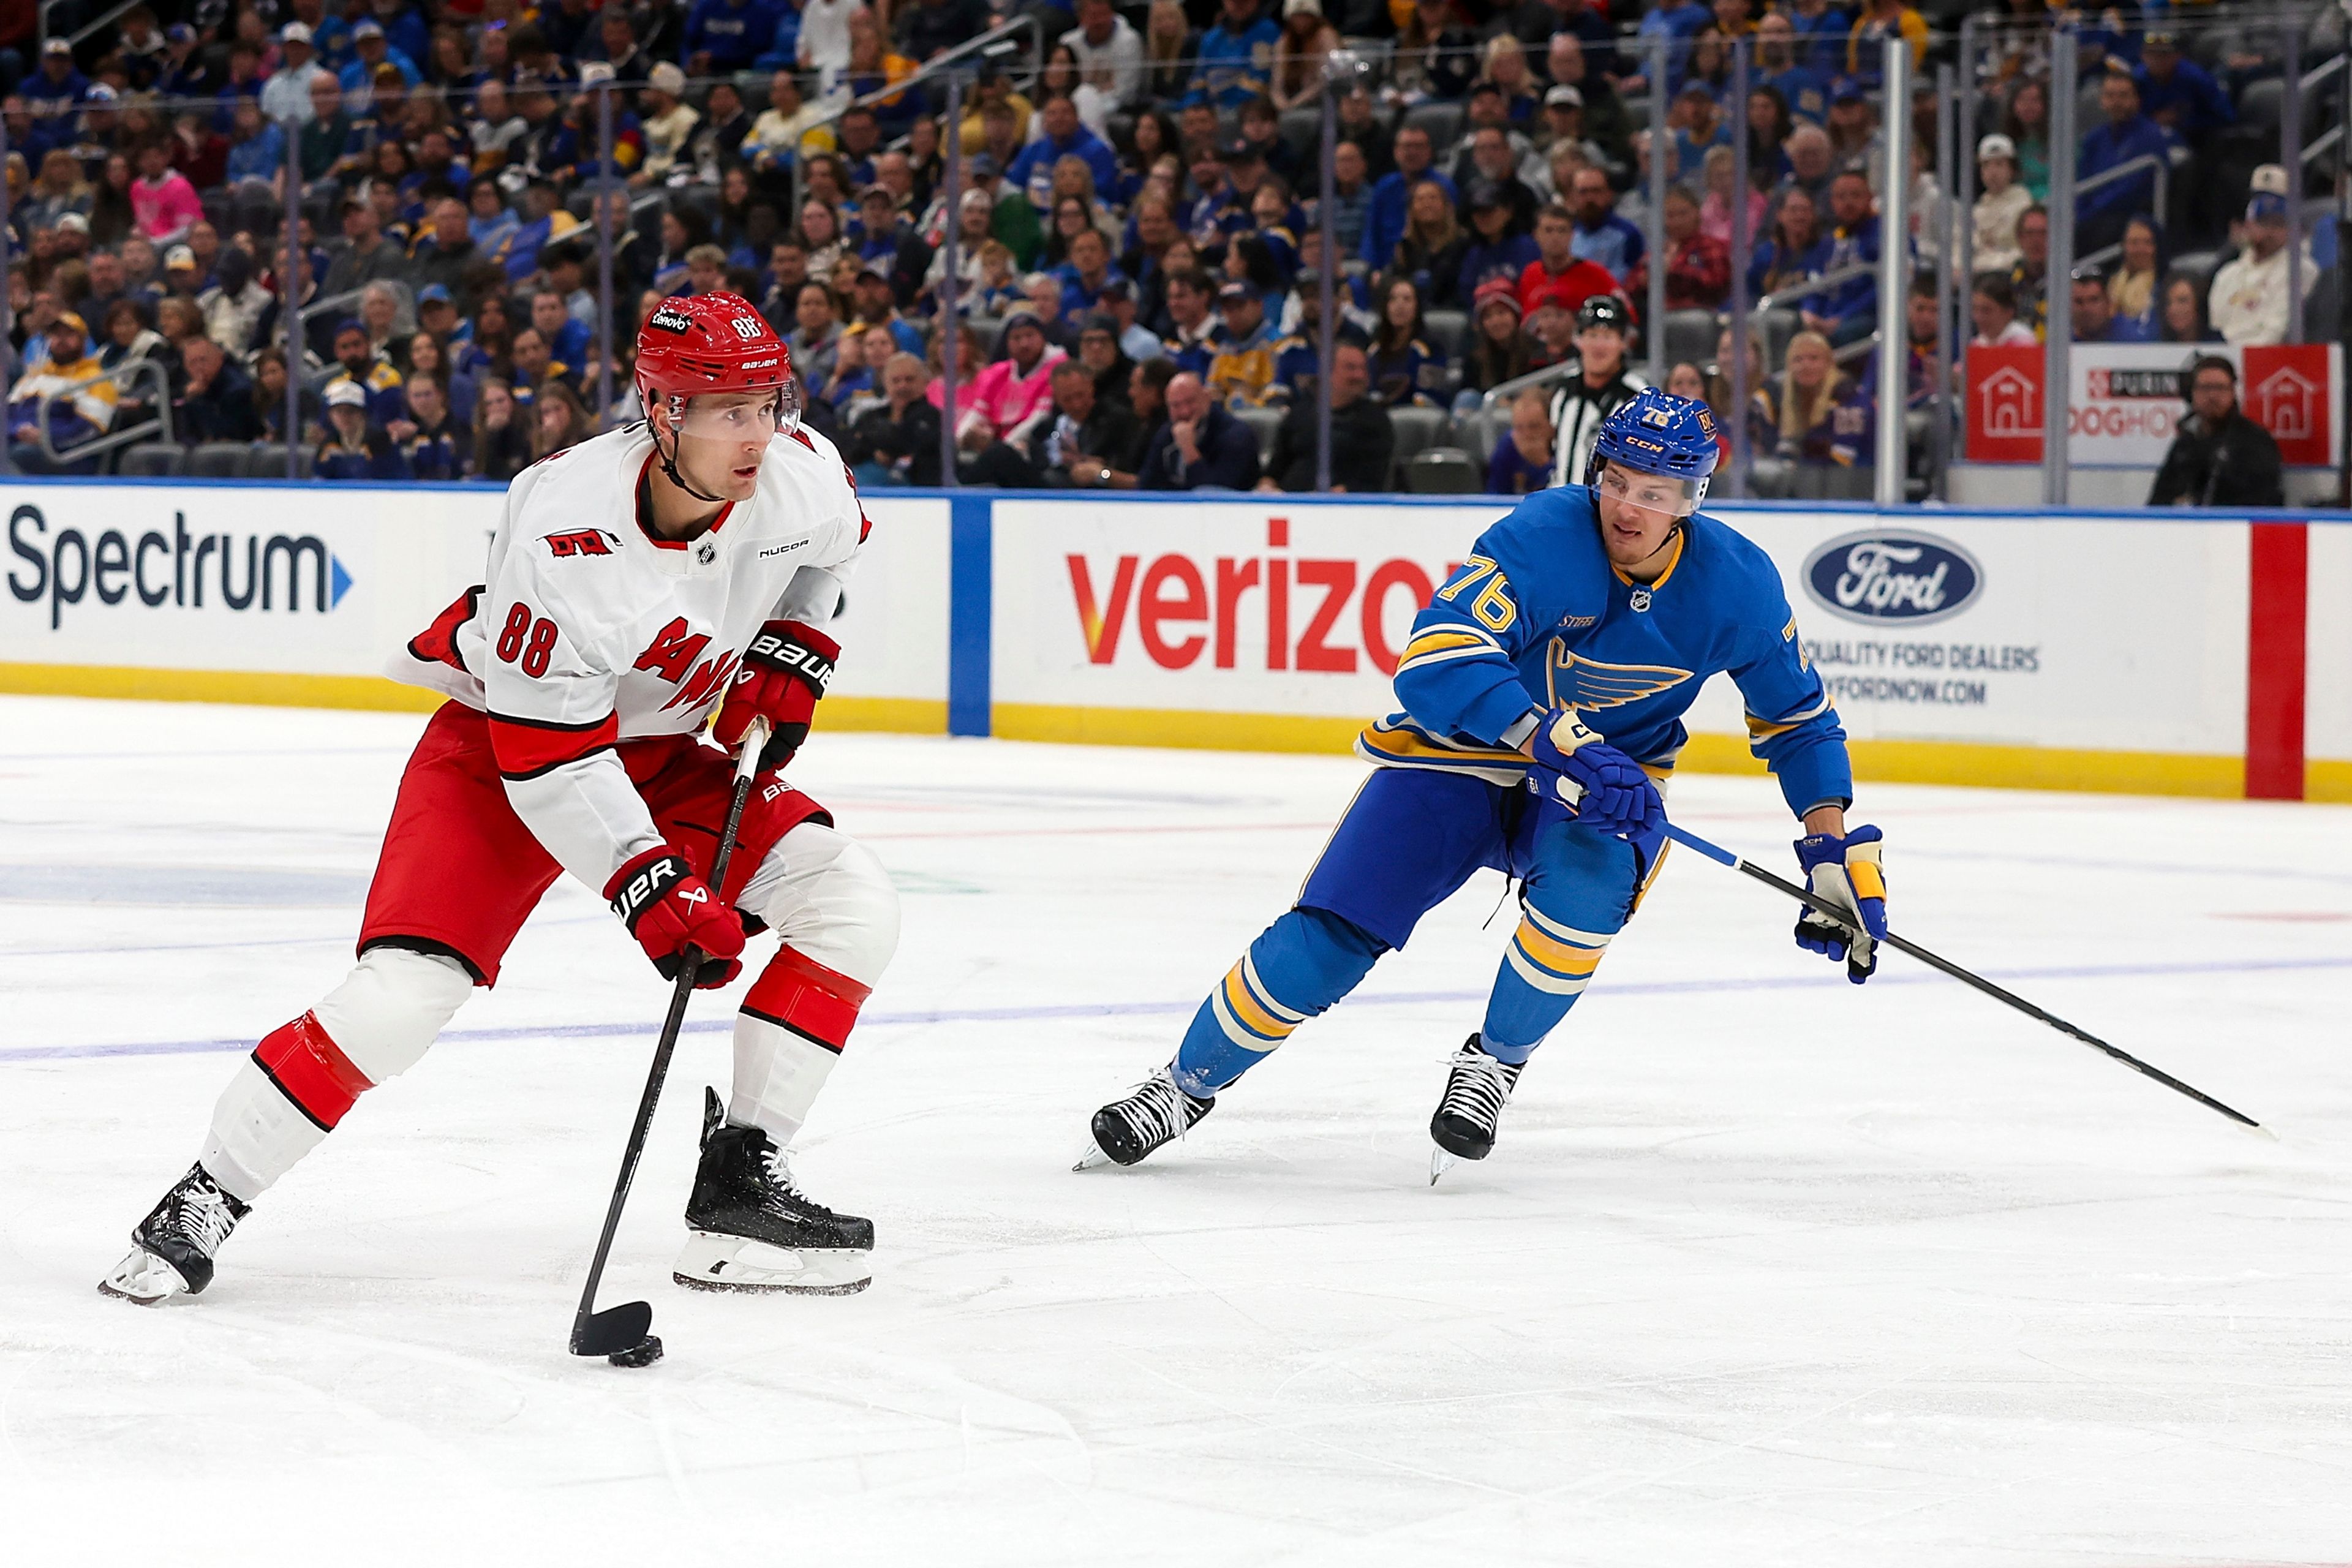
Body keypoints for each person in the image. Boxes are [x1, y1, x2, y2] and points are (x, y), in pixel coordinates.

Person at [101, 293, 900, 1308]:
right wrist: (646, 886)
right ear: (661, 413)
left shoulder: (799, 471)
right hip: (504, 752)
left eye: (767, 404)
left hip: (654, 752)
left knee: (852, 904)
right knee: (403, 999)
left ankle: (740, 1185)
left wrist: (800, 644)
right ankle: (209, 1193)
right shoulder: (565, 531)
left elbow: (833, 553)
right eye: (724, 411)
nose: (757, 435)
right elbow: (552, 762)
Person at [1080, 388, 1882, 1176]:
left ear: (1691, 500)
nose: (1627, 509)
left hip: (1606, 783)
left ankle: (1494, 1064)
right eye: (1616, 482)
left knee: (1583, 902)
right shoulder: (1541, 533)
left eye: (1655, 493)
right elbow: (1435, 661)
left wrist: (1826, 847)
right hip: (1463, 750)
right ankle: (1181, 1087)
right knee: (1331, 934)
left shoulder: (1738, 586)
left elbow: (1800, 721)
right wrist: (1554, 738)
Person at [2148, 356, 2285, 509]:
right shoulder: (2185, 444)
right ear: (2192, 394)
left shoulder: (2256, 441)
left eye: (2220, 388)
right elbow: (2158, 501)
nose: (2212, 396)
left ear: (2233, 392)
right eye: (2205, 388)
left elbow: (2267, 501)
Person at [1257, 342, 1393, 493]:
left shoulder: (1375, 421)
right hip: (1288, 505)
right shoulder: (1300, 413)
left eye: (1363, 369)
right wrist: (1267, 487)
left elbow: (1372, 481)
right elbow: (1274, 470)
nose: (1359, 375)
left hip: (1340, 508)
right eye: (1351, 368)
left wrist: (1325, 498)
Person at [1546, 296, 1649, 487]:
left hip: (1613, 512)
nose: (1599, 345)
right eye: (1592, 335)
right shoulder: (1563, 392)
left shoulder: (1639, 398)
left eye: (1608, 336)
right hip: (1564, 507)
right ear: (1579, 340)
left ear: (1623, 343)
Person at [7, 311, 116, 473]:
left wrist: (46, 438)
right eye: (56, 335)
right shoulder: (34, 376)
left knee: (18, 455)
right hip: (19, 442)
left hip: (66, 456)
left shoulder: (97, 379)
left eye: (69, 334)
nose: (61, 340)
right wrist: (16, 432)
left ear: (83, 341)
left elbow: (90, 429)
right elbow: (8, 413)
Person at [1750, 329, 1871, 468]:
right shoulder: (1778, 399)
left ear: (1830, 363)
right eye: (1798, 360)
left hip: (1856, 481)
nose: (1805, 366)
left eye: (1814, 358)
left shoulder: (1849, 398)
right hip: (1803, 481)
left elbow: (1844, 460)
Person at [2208, 194, 2312, 348]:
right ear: (2249, 226)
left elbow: (2278, 330)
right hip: (2228, 356)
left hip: (2275, 357)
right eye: (2263, 223)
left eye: (2278, 224)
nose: (2270, 232)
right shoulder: (2228, 274)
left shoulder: (2300, 269)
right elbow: (2216, 326)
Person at [1140, 370, 1259, 490]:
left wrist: (1189, 450)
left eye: (1190, 402)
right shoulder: (1166, 433)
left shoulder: (1237, 435)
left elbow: (1218, 494)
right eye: (1176, 405)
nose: (1185, 411)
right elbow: (1146, 485)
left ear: (1206, 398)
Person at [1037, 358, 1143, 488]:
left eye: (1080, 395)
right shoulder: (1049, 425)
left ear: (1091, 386)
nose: (1077, 405)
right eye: (1067, 399)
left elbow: (1131, 469)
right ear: (1056, 398)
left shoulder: (1119, 420)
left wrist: (1101, 469)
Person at [1972, 133, 2032, 274]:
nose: (1993, 172)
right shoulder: (1977, 209)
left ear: (2012, 169)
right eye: (1986, 165)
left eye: (1999, 164)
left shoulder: (2024, 203)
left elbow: (2022, 252)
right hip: (1979, 272)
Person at [1487, 386, 1556, 494]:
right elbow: (1495, 494)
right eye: (1519, 428)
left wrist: (1545, 464)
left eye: (1534, 427)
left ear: (1551, 426)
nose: (1527, 435)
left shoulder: (1565, 444)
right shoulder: (1508, 446)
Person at [1969, 273, 2036, 347]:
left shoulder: (2023, 344)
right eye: (1975, 309)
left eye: (1986, 310)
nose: (1978, 317)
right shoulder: (1977, 343)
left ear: (2009, 312)